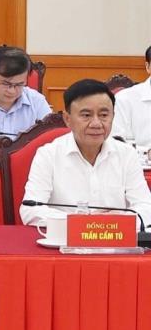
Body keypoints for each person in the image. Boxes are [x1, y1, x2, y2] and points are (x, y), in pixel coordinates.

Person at [20, 79, 151, 226]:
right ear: (67, 119)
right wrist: (84, 222)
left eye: (104, 115)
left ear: (113, 116)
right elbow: (30, 210)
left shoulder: (127, 155)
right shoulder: (48, 155)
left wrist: (115, 221)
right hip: (64, 237)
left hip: (114, 237)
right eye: (86, 115)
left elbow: (146, 207)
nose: (96, 124)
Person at [112, 45, 151, 148]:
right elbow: (117, 142)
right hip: (138, 158)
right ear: (148, 67)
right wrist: (147, 152)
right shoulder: (124, 99)